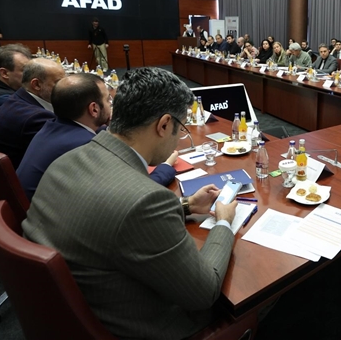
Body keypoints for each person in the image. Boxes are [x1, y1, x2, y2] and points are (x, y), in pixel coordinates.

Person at [22, 67, 238, 340]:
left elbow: (109, 219)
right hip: (140, 325)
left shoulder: (67, 160)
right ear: (164, 125)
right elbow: (204, 292)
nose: (178, 138)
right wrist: (223, 223)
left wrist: (186, 205)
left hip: (65, 316)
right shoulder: (144, 201)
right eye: (180, 129)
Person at [16, 74, 179, 201]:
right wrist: (165, 166)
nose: (111, 104)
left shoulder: (53, 126)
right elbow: (135, 193)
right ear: (94, 109)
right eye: (108, 100)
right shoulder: (86, 146)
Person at [0, 58, 66, 168]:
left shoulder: (18, 98)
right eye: (59, 82)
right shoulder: (35, 118)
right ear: (36, 85)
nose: (65, 88)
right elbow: (65, 151)